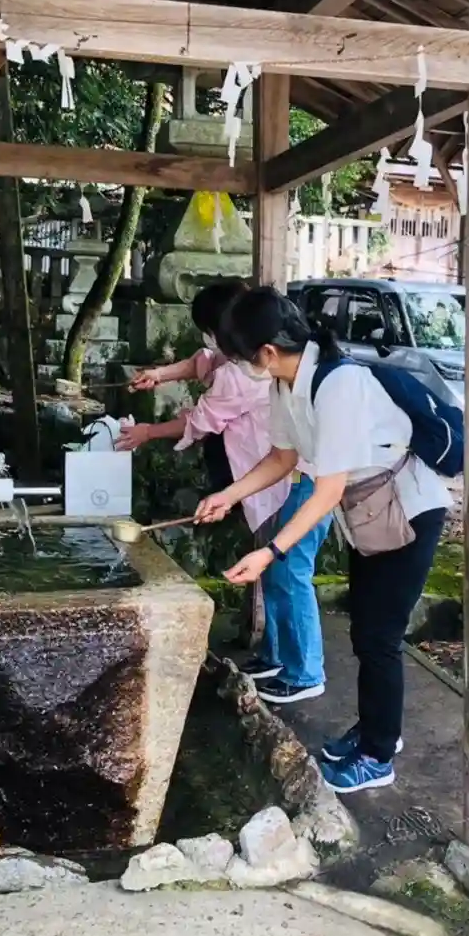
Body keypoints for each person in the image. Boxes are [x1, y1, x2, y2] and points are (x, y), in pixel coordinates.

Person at [196, 288, 452, 793]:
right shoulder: (286, 383)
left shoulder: (339, 385)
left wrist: (270, 551)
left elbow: (327, 490)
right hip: (369, 514)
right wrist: (228, 494)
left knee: (379, 638)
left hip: (409, 512)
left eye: (242, 357)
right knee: (365, 631)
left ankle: (378, 754)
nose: (241, 366)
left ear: (267, 351)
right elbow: (282, 459)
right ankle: (377, 727)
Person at [125, 284, 331, 703]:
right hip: (275, 481)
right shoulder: (251, 362)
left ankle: (306, 672)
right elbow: (202, 362)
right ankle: (276, 656)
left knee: (290, 574)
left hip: (301, 484)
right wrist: (160, 374)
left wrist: (147, 432)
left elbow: (200, 422)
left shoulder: (245, 373)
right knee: (274, 573)